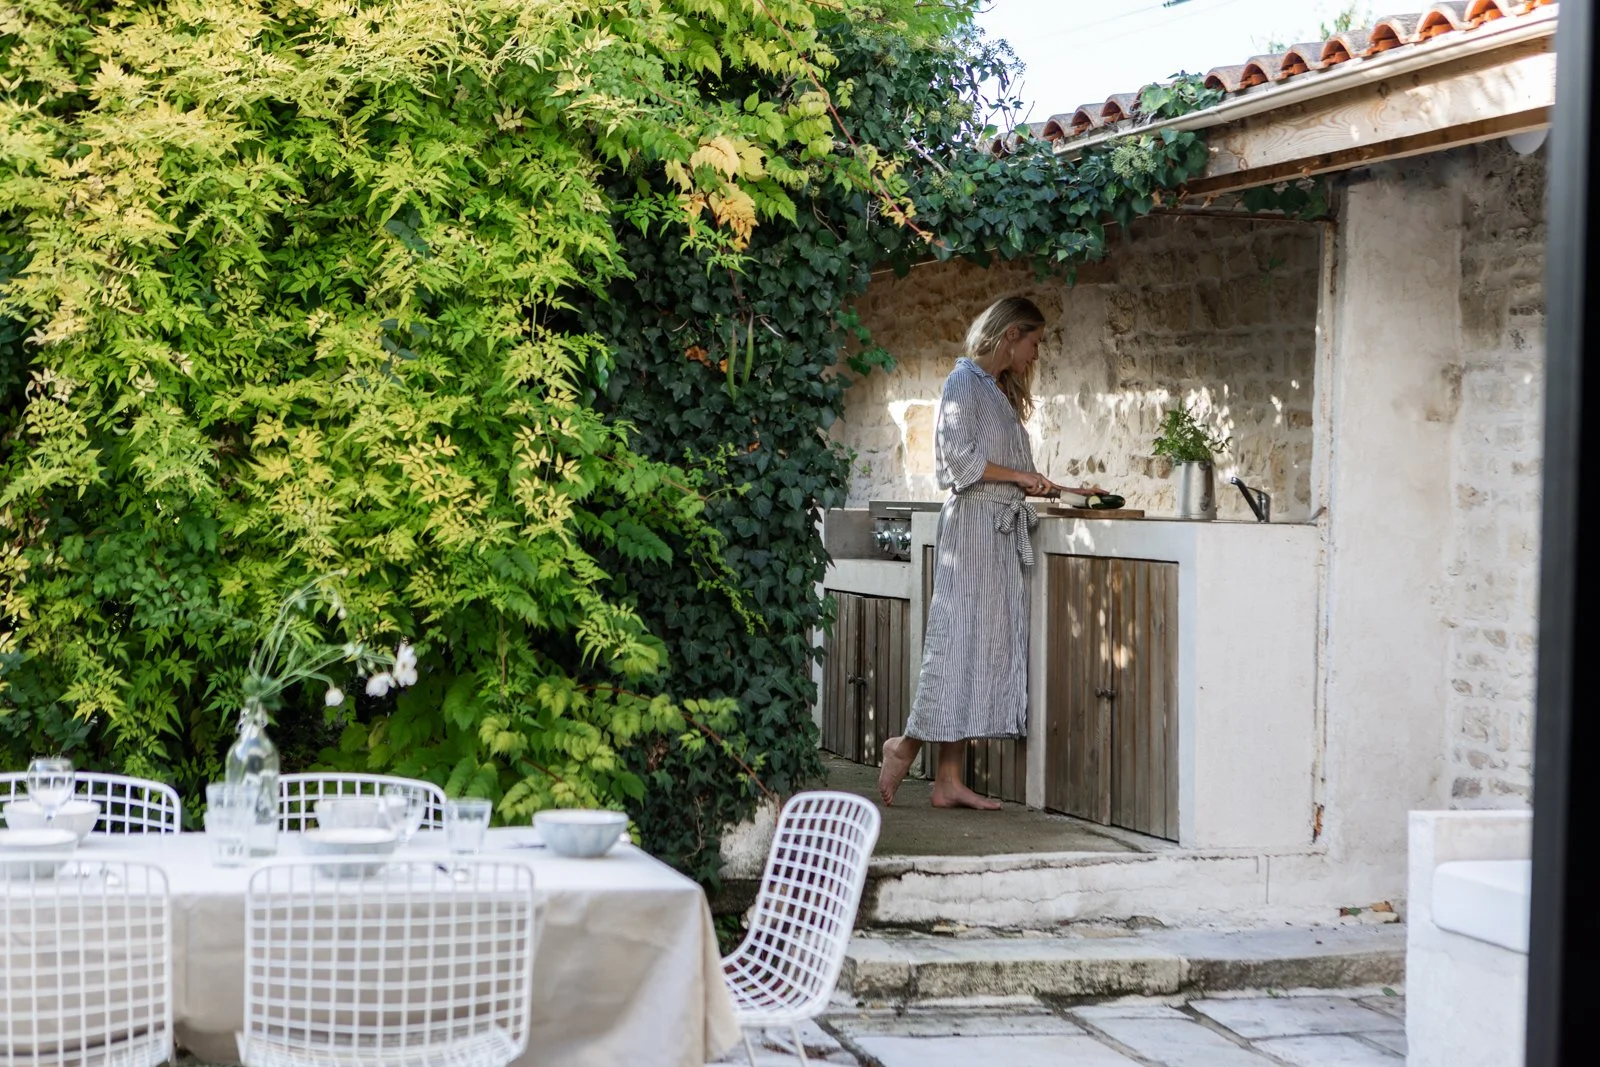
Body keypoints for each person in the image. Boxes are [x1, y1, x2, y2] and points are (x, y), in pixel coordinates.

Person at [878, 296, 1103, 810]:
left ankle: (947, 781)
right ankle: (905, 744)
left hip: (996, 533)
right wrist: (1021, 477)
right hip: (973, 531)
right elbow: (959, 462)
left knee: (976, 651)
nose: (1036, 354)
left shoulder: (996, 391)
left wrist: (1062, 487)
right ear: (1010, 335)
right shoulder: (963, 383)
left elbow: (1007, 470)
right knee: (957, 646)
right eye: (1034, 343)